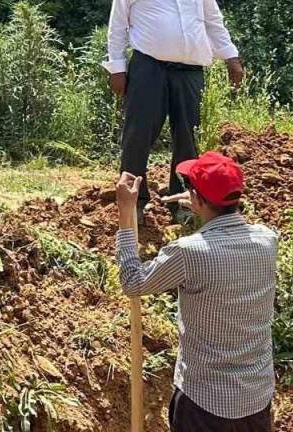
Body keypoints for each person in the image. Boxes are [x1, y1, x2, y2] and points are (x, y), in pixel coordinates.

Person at [114, 151, 276, 432]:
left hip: (204, 404)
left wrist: (125, 212)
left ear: (197, 199)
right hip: (255, 401)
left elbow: (133, 282)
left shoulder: (190, 253)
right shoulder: (267, 240)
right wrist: (203, 203)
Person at [104, 0, 243, 218]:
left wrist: (231, 57)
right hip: (148, 68)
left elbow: (213, 21)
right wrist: (117, 68)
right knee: (139, 132)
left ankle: (184, 200)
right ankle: (135, 201)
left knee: (188, 135)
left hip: (190, 70)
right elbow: (116, 28)